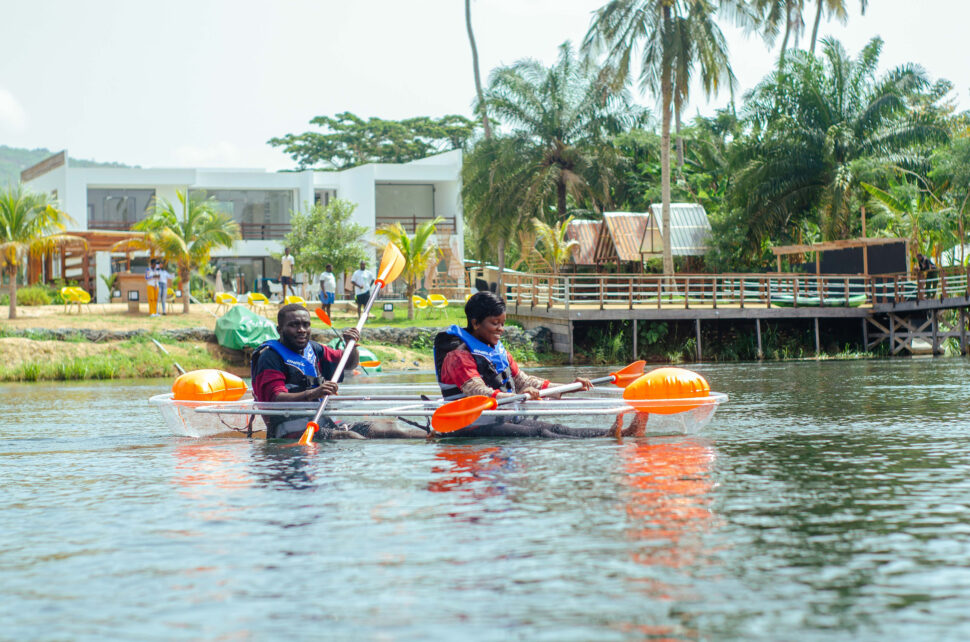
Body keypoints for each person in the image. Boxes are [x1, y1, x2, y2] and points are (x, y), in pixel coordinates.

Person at [433, 291, 606, 438]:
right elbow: (478, 391)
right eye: (495, 323)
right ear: (476, 323)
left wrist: (570, 387)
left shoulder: (497, 352)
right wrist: (517, 396)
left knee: (557, 428)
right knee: (543, 433)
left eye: (503, 323)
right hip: (468, 424)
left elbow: (525, 382)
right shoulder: (458, 356)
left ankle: (615, 434)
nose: (501, 329)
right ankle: (613, 435)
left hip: (499, 419)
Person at [251, 304, 425, 440]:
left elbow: (347, 364)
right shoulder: (270, 357)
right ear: (279, 329)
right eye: (294, 325)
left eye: (306, 325)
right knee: (351, 437)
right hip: (289, 429)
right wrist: (314, 393)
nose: (302, 330)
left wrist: (351, 345)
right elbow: (275, 399)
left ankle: (436, 436)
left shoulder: (314, 349)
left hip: (321, 421)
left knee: (390, 429)